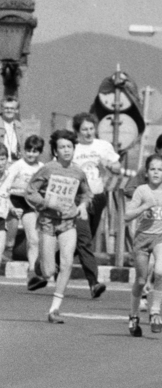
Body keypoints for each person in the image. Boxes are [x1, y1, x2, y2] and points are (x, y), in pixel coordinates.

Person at [26, 130, 91, 321]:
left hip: (68, 222)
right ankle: (40, 266)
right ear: (55, 150)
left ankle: (54, 309)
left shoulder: (78, 172)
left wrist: (83, 205)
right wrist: (48, 203)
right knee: (48, 272)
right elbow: (30, 191)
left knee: (67, 263)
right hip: (47, 222)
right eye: (62, 147)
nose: (66, 150)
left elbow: (87, 193)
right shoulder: (48, 169)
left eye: (69, 147)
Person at [70, 112, 122, 299]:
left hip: (98, 197)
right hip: (79, 199)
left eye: (91, 128)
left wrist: (109, 165)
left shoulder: (103, 146)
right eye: (84, 129)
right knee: (85, 241)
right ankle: (94, 282)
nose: (88, 132)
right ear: (77, 131)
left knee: (85, 238)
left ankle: (50, 264)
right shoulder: (73, 148)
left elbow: (118, 167)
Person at [124, 155, 162, 335]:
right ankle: (133, 315)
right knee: (140, 280)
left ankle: (155, 312)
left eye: (160, 169)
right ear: (146, 172)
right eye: (152, 169)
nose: (156, 172)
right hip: (142, 238)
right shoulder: (141, 190)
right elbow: (127, 215)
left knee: (161, 272)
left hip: (161, 236)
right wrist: (144, 207)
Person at [4, 134, 43, 284]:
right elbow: (5, 188)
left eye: (35, 151)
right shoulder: (17, 165)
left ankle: (32, 270)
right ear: (23, 151)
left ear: (39, 152)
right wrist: (11, 208)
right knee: (10, 240)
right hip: (13, 200)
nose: (31, 154)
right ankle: (6, 258)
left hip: (29, 204)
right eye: (28, 150)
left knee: (33, 239)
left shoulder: (41, 168)